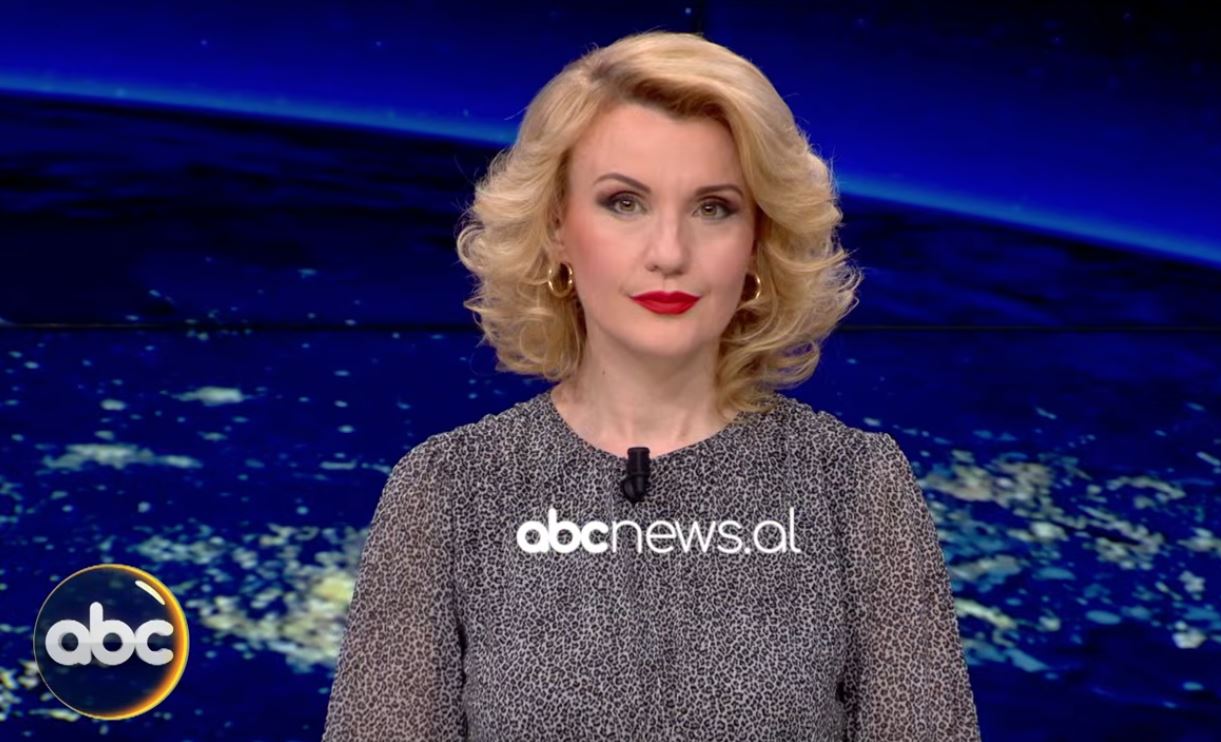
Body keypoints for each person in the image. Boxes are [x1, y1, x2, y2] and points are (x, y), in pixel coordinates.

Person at [322, 29, 982, 741]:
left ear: (758, 241)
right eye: (624, 202)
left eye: (714, 207)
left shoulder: (853, 486)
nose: (669, 252)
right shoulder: (449, 489)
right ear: (556, 230)